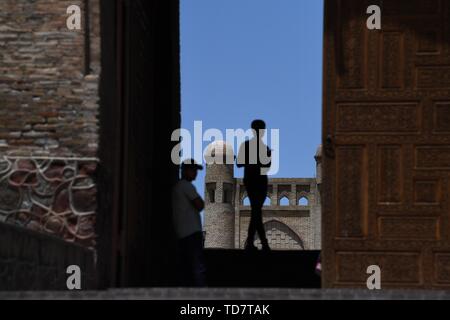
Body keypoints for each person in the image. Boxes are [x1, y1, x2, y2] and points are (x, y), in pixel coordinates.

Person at [236, 119, 272, 252]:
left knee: (256, 211)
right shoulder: (253, 147)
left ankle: (251, 243)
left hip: (256, 181)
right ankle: (263, 243)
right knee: (256, 210)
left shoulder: (248, 146)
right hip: (256, 181)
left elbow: (240, 163)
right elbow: (240, 163)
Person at [172, 158, 207, 286]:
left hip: (183, 233)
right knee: (197, 268)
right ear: (185, 171)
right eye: (193, 170)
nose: (196, 174)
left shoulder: (179, 186)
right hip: (191, 233)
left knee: (186, 268)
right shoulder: (186, 186)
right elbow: (200, 205)